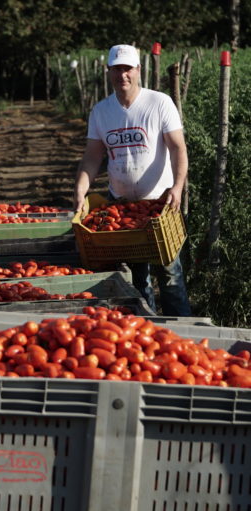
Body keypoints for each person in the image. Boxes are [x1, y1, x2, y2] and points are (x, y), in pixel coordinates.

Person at [74, 44, 191, 316]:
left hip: (160, 204)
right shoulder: (102, 111)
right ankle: (146, 330)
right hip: (122, 206)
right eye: (116, 69)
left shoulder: (159, 102)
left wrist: (177, 186)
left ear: (138, 70)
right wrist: (81, 189)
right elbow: (92, 156)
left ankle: (182, 328)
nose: (122, 75)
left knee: (170, 273)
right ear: (109, 71)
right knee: (137, 276)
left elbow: (177, 147)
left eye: (127, 68)